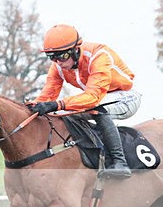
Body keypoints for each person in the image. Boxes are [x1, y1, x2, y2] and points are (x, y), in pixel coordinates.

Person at [29, 24, 141, 179]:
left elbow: (93, 97)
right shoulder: (58, 67)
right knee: (64, 114)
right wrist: (31, 107)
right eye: (52, 57)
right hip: (99, 97)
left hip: (125, 96)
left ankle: (120, 162)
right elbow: (47, 96)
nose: (58, 62)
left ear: (76, 50)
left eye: (62, 56)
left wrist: (58, 104)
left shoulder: (99, 56)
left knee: (96, 108)